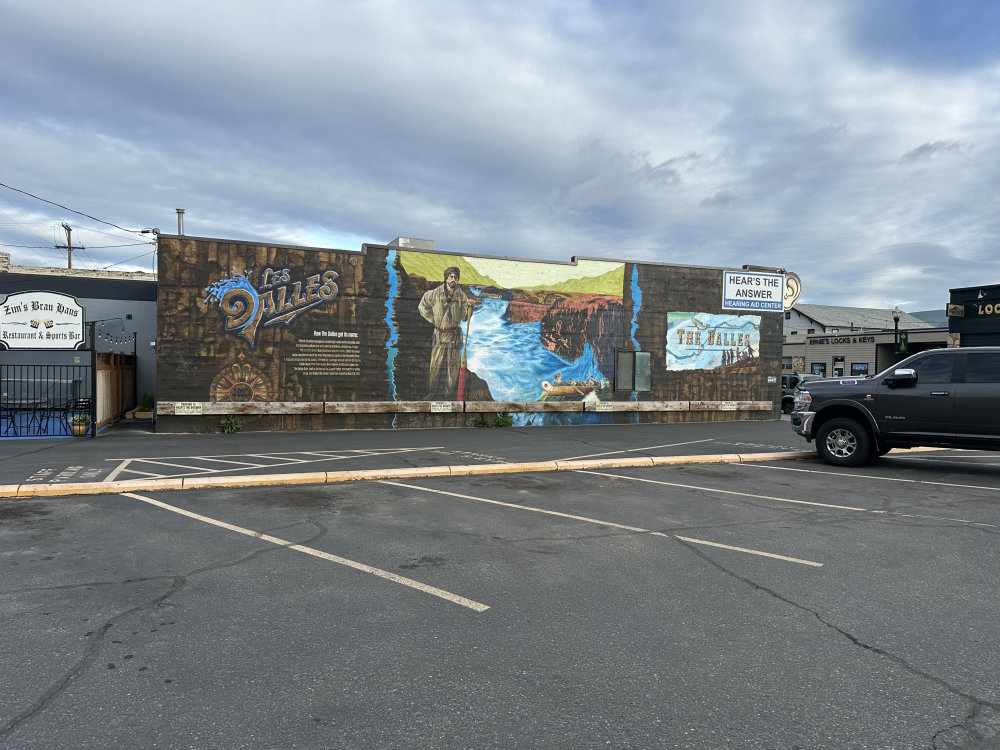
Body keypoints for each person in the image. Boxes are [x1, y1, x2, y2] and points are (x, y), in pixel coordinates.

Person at [418, 266, 472, 398]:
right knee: (435, 365)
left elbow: (465, 318)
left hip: (454, 337)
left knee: (452, 368)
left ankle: (449, 395)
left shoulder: (462, 296)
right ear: (446, 278)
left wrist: (470, 308)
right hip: (439, 335)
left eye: (455, 277)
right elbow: (422, 306)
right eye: (451, 277)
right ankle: (431, 393)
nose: (453, 279)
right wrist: (434, 320)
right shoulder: (435, 293)